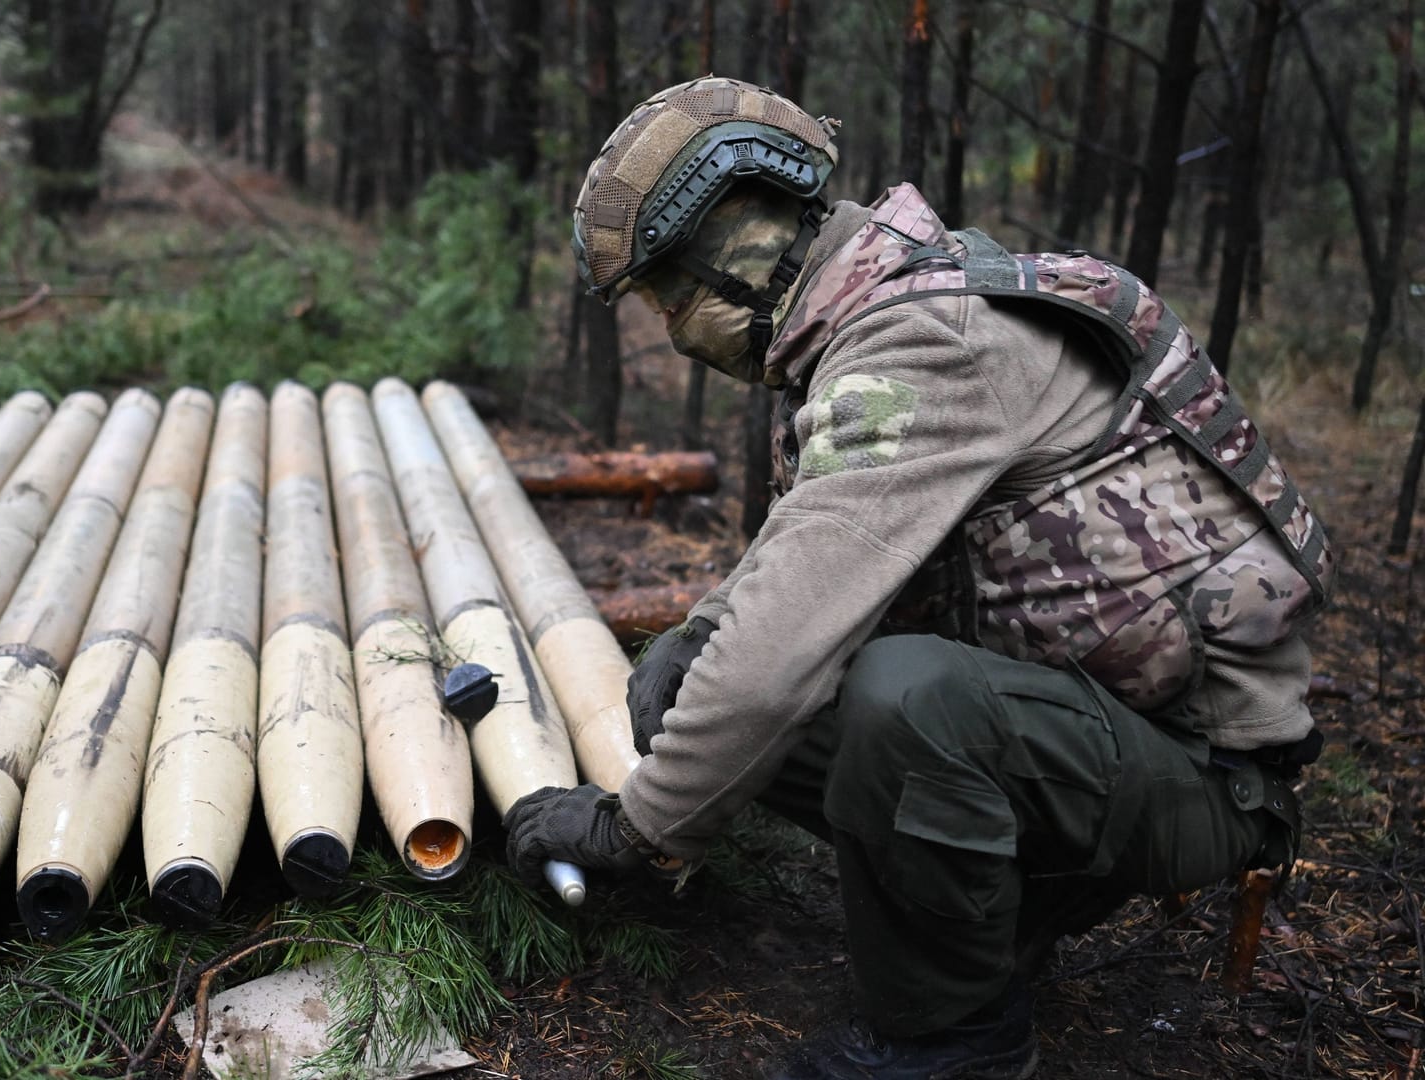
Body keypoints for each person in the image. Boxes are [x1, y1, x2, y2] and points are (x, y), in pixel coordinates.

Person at [502, 76, 1331, 1080]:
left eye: (671, 295)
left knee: (900, 701)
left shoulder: (924, 343)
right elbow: (815, 558)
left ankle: (954, 1040)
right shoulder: (872, 325)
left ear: (740, 253)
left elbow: (780, 658)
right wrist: (704, 632)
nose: (674, 330)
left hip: (1205, 775)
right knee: (716, 678)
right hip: (1095, 724)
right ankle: (996, 910)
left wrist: (635, 831)